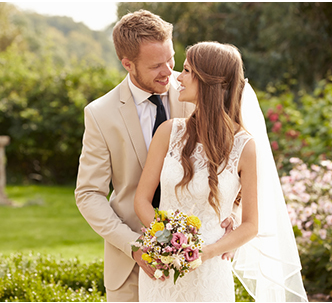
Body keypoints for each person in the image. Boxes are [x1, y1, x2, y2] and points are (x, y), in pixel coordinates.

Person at [75, 11, 235, 302]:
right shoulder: (100, 114)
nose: (169, 72)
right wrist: (134, 246)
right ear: (128, 64)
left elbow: (232, 161)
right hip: (131, 267)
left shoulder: (196, 91)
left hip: (198, 261)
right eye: (155, 65)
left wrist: (231, 217)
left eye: (170, 59)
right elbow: (88, 194)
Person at [134, 41, 308, 302]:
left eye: (187, 71)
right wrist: (168, 240)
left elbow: (250, 225)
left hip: (210, 275)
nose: (178, 78)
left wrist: (205, 253)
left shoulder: (245, 147)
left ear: (208, 82)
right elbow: (142, 201)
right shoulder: (168, 132)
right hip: (162, 273)